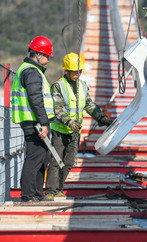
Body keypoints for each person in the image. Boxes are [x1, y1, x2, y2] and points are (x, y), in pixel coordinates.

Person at [45, 52, 113, 200]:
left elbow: (89, 105)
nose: (77, 74)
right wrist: (68, 121)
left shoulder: (82, 86)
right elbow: (57, 108)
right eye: (74, 72)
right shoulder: (58, 86)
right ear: (66, 71)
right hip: (60, 130)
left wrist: (103, 119)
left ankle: (59, 189)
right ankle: (50, 190)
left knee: (69, 162)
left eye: (79, 71)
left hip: (75, 132)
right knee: (56, 161)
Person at [11, 36, 54, 202]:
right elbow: (36, 99)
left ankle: (37, 194)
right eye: (47, 55)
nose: (48, 59)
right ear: (37, 54)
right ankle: (28, 196)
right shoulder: (31, 71)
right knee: (34, 158)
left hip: (34, 121)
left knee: (42, 158)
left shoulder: (29, 70)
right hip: (34, 122)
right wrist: (43, 123)